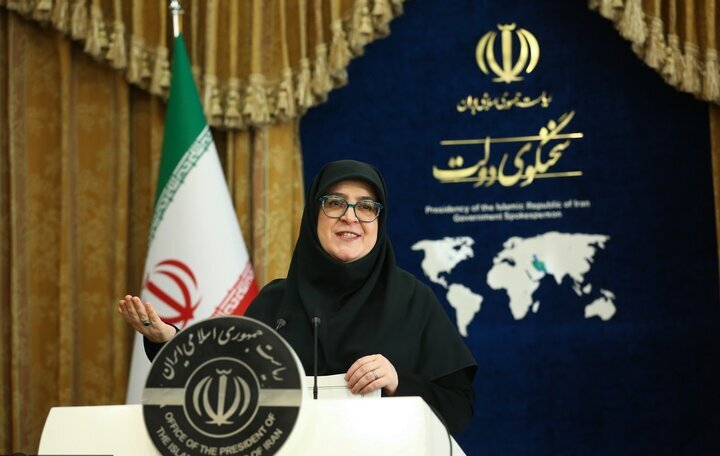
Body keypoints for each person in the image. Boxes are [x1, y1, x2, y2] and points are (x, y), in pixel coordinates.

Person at [118, 159, 477, 434]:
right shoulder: (276, 302)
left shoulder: (413, 300)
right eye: (335, 203)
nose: (350, 217)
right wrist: (170, 341)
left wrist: (398, 382)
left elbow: (458, 407)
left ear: (379, 222)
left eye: (366, 206)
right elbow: (224, 380)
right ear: (313, 216)